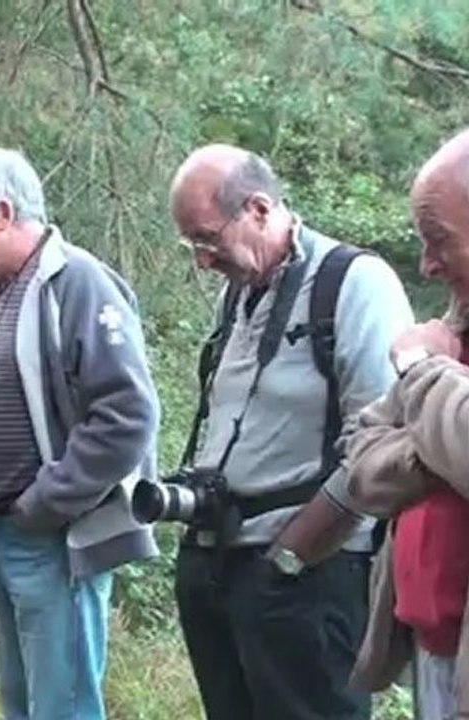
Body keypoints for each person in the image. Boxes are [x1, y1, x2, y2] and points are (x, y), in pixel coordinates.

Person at [0, 146, 160, 720]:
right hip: (7, 534)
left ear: (1, 212)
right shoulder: (5, 292)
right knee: (24, 705)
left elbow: (127, 415)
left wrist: (47, 500)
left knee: (61, 707)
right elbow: (18, 400)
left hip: (55, 538)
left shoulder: (77, 283)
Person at [167, 143, 413, 720]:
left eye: (207, 239)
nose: (202, 260)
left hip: (307, 580)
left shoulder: (355, 283)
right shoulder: (239, 291)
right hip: (218, 562)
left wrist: (292, 556)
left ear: (258, 209)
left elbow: (383, 444)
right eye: (191, 244)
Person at [346, 128, 469, 720]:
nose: (427, 264)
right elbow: (361, 463)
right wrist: (442, 449)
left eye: (439, 239)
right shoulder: (452, 331)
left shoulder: (430, 357)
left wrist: (421, 370)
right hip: (432, 650)